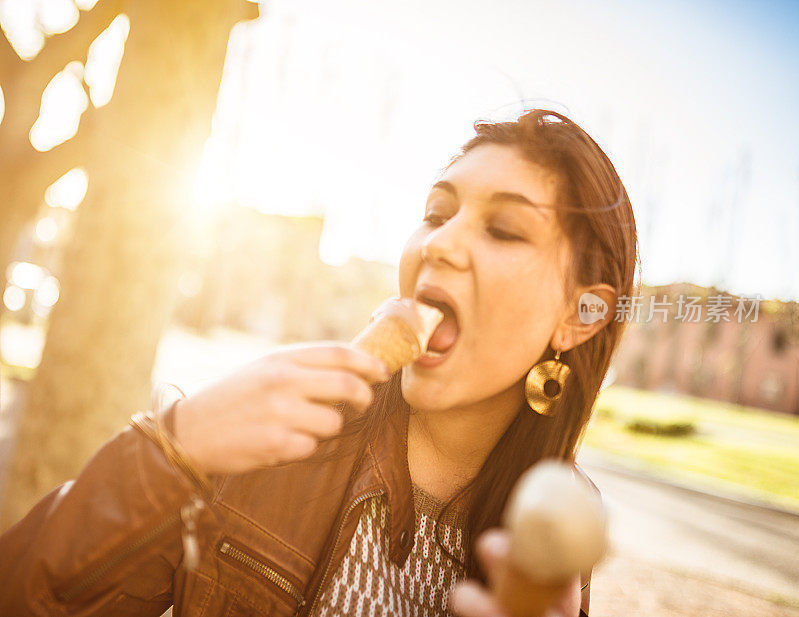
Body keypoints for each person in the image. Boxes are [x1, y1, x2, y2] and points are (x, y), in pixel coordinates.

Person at [0, 108, 638, 617]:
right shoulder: (269, 434)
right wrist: (174, 449)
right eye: (437, 215)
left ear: (581, 315)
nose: (439, 243)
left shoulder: (552, 530)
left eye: (503, 230)